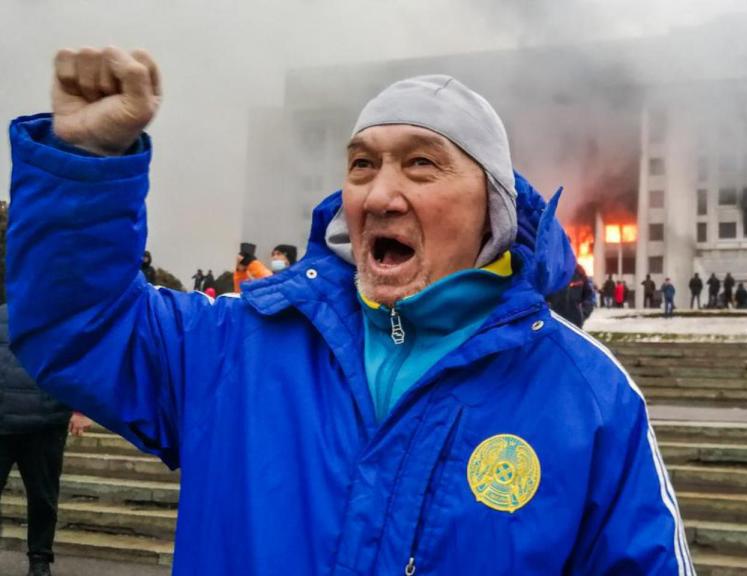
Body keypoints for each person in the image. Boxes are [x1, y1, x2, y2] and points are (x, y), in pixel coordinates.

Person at [5, 50, 692, 575]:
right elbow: (78, 326)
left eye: (422, 165)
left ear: (494, 208)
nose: (379, 194)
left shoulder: (587, 398)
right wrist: (86, 167)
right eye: (362, 166)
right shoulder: (234, 348)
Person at [1, 305, 92, 576]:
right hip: (10, 421)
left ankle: (40, 558)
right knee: (43, 498)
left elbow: (77, 365)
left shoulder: (62, 318)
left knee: (43, 498)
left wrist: (80, 408)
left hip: (45, 423)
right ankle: (39, 561)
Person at [547, 264, 593, 328]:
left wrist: (583, 313)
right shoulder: (549, 270)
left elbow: (589, 295)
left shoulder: (578, 271)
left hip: (575, 325)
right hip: (553, 325)